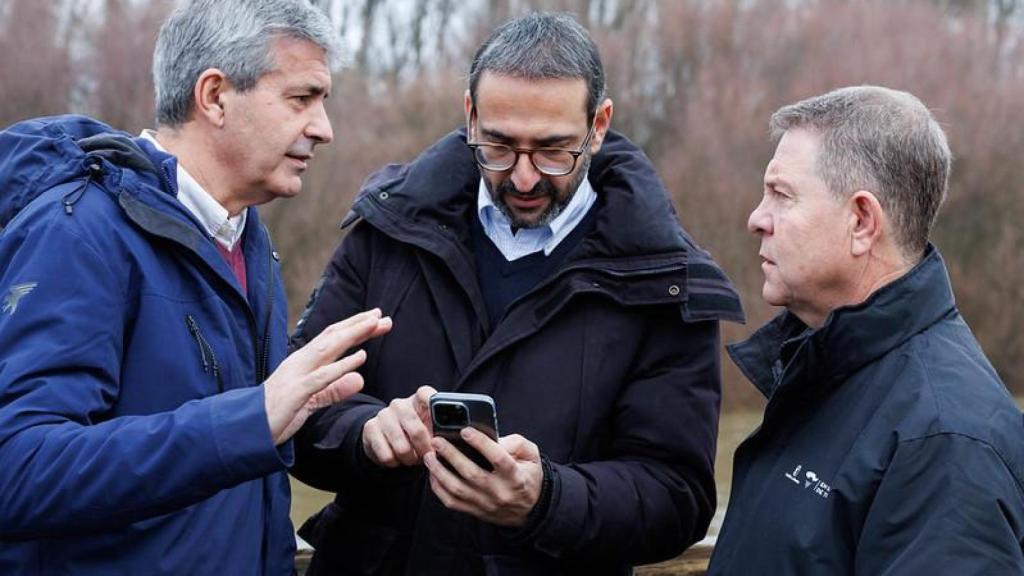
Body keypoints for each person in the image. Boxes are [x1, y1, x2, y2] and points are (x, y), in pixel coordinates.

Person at [289, 11, 744, 576]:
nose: (524, 178)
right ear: (470, 116)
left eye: (554, 151)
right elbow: (296, 408)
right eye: (499, 146)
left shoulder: (665, 282)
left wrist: (547, 500)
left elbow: (677, 497)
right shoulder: (387, 231)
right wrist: (366, 434)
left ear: (598, 125)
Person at [0, 1, 391, 574]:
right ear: (214, 97)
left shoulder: (246, 239)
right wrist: (251, 419)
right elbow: (17, 468)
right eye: (301, 99)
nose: (323, 128)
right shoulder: (78, 231)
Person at [707, 86, 1024, 574]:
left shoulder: (945, 443)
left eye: (781, 195)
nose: (756, 219)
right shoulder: (826, 376)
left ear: (861, 221)